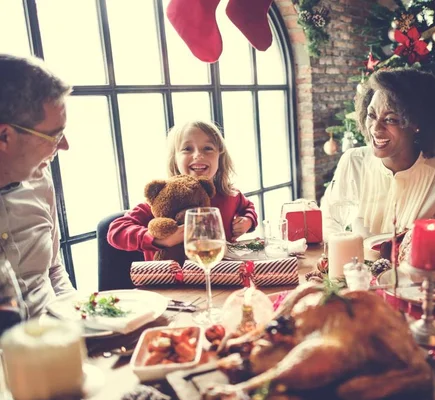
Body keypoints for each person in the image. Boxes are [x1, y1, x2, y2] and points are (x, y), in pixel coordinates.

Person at [321, 68, 435, 240]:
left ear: (418, 123)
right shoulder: (354, 162)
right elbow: (328, 221)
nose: (375, 128)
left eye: (390, 119)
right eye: (371, 115)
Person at [108, 120, 258, 261]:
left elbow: (248, 208)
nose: (198, 155)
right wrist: (158, 240)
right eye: (187, 149)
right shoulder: (162, 199)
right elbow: (116, 231)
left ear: (220, 156)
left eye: (208, 148)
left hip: (221, 280)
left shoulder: (230, 195)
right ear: (175, 159)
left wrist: (248, 221)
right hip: (167, 286)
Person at [0, 54, 74, 317]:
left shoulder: (41, 181)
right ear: (4, 136)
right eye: (55, 136)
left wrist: (82, 320)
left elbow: (53, 270)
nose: (64, 146)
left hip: (57, 339)